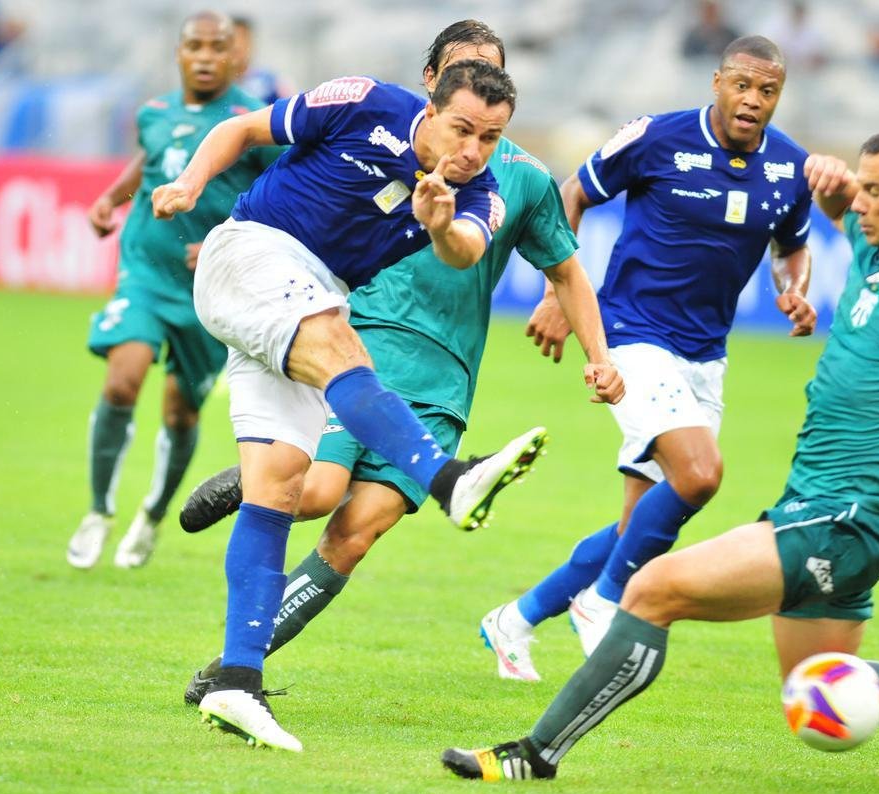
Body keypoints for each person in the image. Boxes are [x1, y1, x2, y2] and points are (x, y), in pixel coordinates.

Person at [442, 126, 879, 781]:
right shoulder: (876, 246)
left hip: (843, 517)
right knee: (817, 679)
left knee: (650, 589)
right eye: (862, 187)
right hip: (819, 506)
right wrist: (835, 186)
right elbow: (842, 207)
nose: (862, 203)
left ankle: (536, 755)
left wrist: (845, 191)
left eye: (877, 191)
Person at [176, 18, 623, 705]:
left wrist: (598, 355)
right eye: (463, 74)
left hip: (443, 378)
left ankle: (235, 670)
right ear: (434, 85)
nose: (475, 119)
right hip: (357, 338)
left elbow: (551, 266)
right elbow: (270, 155)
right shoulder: (377, 115)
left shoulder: (516, 182)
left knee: (354, 534)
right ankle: (431, 481)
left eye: (492, 81)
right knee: (312, 493)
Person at [480, 35, 829, 681]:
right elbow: (573, 193)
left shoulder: (789, 165)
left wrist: (795, 290)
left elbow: (792, 245)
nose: (752, 99)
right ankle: (602, 602)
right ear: (718, 81)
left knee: (637, 527)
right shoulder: (656, 137)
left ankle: (515, 620)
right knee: (700, 475)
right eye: (742, 85)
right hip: (633, 335)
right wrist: (559, 291)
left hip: (706, 354)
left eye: (767, 90)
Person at [65, 11, 279, 570]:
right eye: (195, 46)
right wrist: (112, 197)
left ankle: (153, 513)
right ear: (179, 53)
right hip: (146, 269)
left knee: (181, 414)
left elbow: (280, 192)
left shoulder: (253, 122)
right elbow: (153, 158)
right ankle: (98, 510)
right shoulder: (154, 112)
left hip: (210, 289)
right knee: (122, 381)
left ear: (235, 56)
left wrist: (223, 241)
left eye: (217, 47)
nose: (205, 57)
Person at [231, 16, 294, 105]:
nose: (238, 44)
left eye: (243, 38)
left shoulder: (271, 81)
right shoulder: (218, 85)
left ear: (251, 43)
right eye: (233, 39)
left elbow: (291, 108)